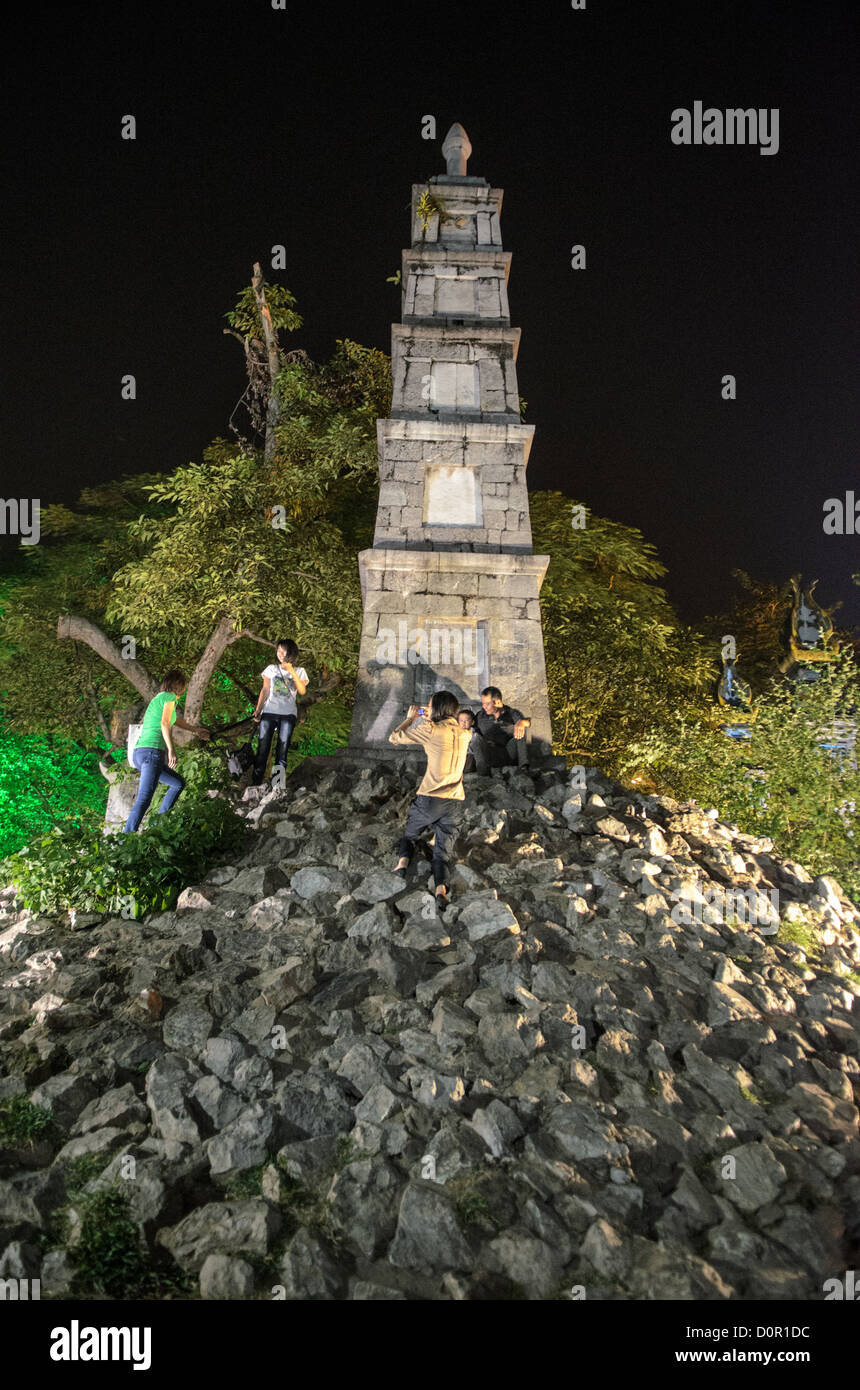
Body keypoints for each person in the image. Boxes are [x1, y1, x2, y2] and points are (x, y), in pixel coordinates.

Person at [389, 691, 472, 911]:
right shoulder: (466, 734)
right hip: (454, 802)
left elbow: (394, 738)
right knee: (442, 853)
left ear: (438, 708)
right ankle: (440, 890)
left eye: (430, 704)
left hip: (430, 798)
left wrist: (411, 718)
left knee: (410, 833)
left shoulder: (430, 729)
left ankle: (402, 865)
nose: (427, 706)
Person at [123, 670, 209, 833]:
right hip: (152, 753)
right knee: (144, 798)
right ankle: (125, 838)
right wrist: (171, 750)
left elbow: (174, 721)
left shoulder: (158, 699)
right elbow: (165, 723)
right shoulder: (169, 697)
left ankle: (159, 826)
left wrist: (196, 730)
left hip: (140, 753)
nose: (182, 691)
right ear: (176, 684)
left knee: (178, 783)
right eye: (182, 686)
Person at [251, 639, 308, 786]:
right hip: (269, 712)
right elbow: (265, 690)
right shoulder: (271, 669)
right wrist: (258, 710)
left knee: (282, 749)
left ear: (291, 652)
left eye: (284, 651)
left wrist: (291, 671)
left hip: (288, 714)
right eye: (278, 651)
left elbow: (302, 690)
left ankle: (277, 786)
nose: (280, 654)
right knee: (263, 747)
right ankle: (255, 784)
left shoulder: (300, 671)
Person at [472, 686, 531, 774]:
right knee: (475, 737)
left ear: (498, 702)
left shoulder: (511, 713)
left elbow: (527, 722)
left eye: (487, 704)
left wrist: (521, 723)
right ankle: (482, 770)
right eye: (483, 703)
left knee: (520, 730)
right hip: (489, 753)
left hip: (507, 752)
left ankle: (523, 767)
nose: (484, 707)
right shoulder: (480, 716)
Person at [457, 707, 478, 773]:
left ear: (472, 722)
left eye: (466, 720)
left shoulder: (474, 734)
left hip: (469, 755)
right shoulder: (456, 733)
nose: (463, 723)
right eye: (461, 720)